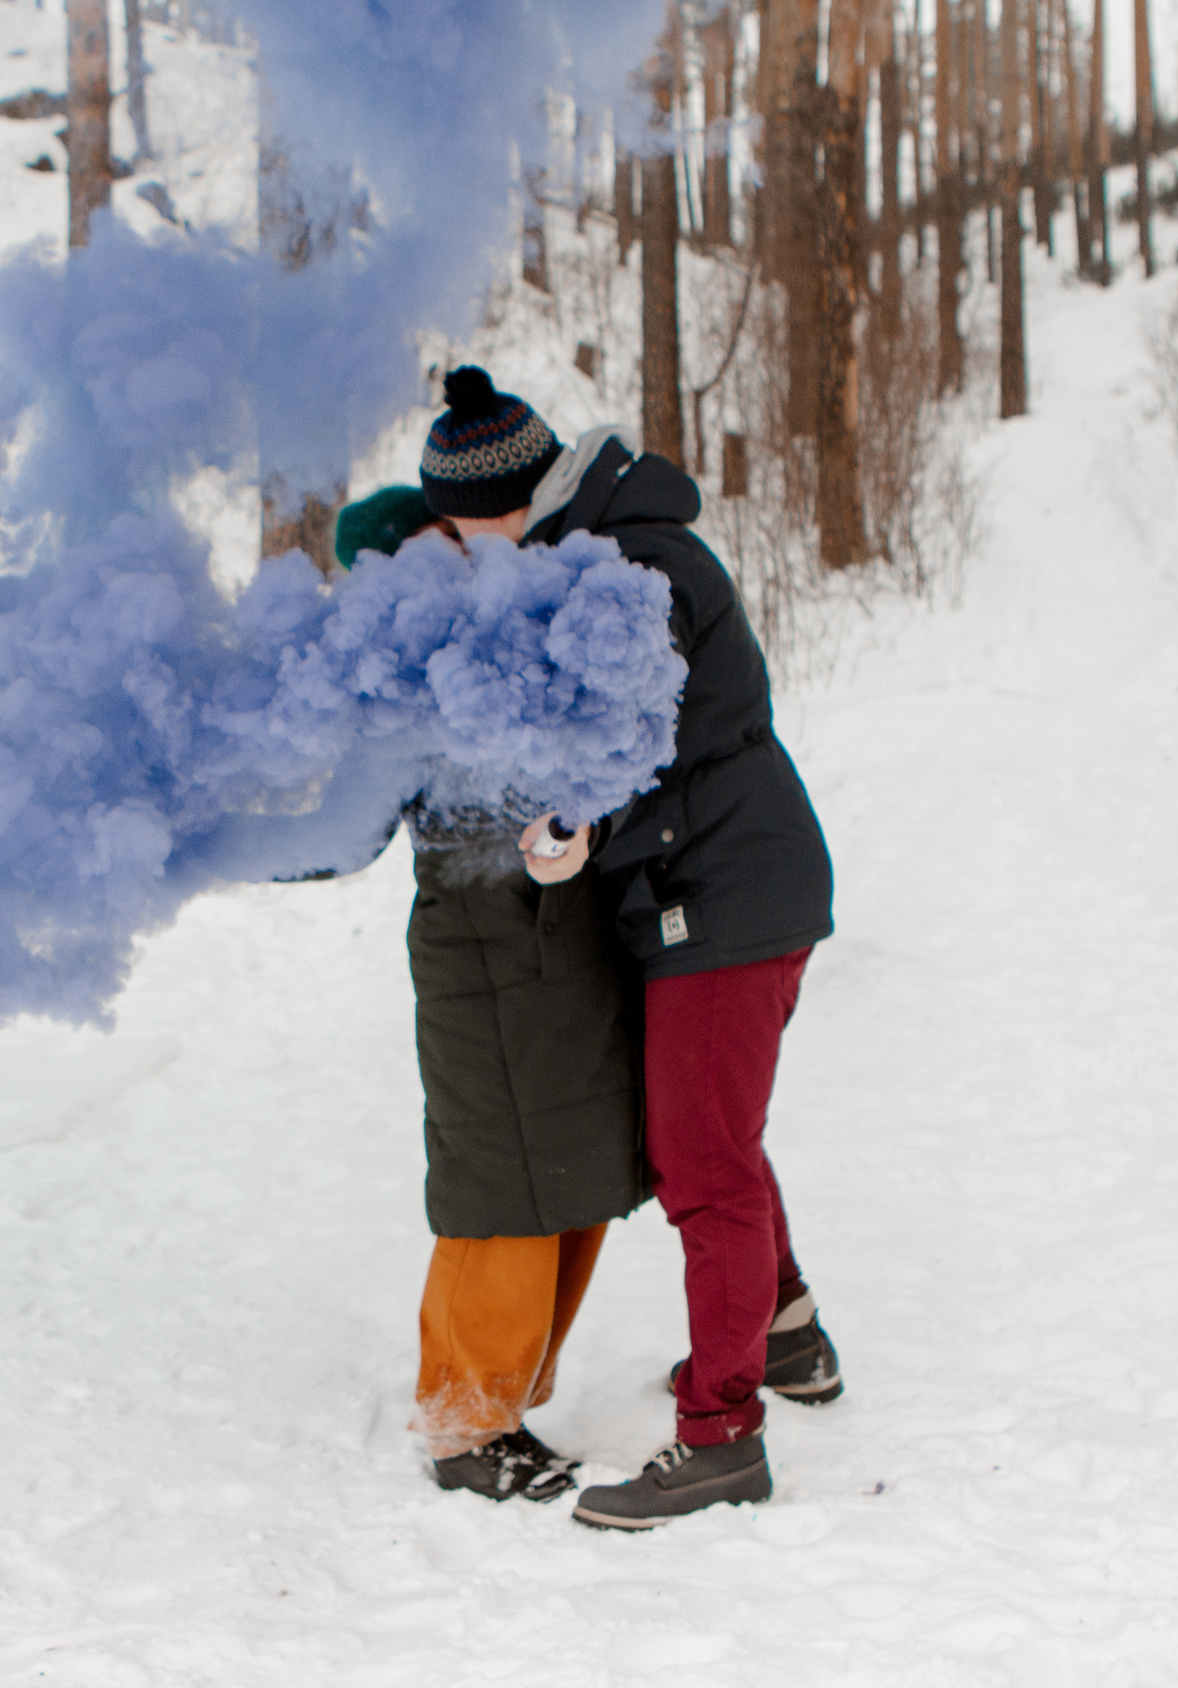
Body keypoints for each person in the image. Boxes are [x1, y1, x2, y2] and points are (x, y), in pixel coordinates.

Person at [420, 366, 844, 1531]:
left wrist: (574, 826)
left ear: (505, 502)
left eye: (464, 529)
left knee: (703, 1165)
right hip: (718, 884)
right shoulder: (608, 539)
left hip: (721, 894)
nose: (467, 550)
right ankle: (787, 1335)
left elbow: (627, 725)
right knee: (702, 1142)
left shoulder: (629, 566)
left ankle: (720, 1436)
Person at [298, 477, 651, 1506]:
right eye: (431, 559)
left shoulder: (503, 641)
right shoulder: (398, 680)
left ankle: (502, 1397)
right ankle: (465, 1424)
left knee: (568, 1175)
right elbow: (339, 831)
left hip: (558, 945)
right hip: (478, 956)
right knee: (502, 1187)